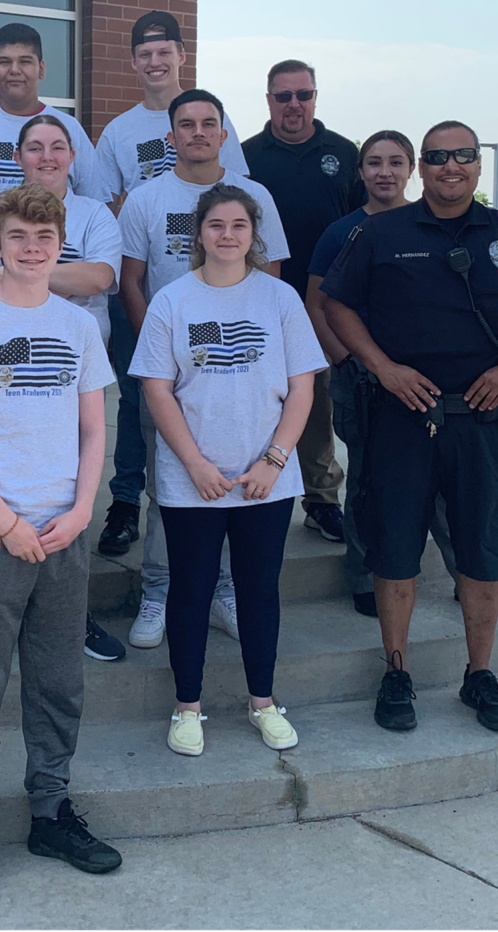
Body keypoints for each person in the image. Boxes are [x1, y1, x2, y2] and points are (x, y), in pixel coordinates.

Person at [321, 122, 498, 735]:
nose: (450, 166)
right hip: (400, 420)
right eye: (437, 157)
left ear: (478, 165)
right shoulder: (381, 233)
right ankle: (396, 671)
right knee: (394, 550)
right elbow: (335, 303)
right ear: (423, 168)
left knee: (483, 553)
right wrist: (382, 368)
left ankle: (479, 674)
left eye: (462, 156)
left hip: (483, 422)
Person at [0, 182, 122, 897]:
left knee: (58, 679)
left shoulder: (78, 326)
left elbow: (95, 428)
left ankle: (50, 808)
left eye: (45, 238)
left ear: (60, 244)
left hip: (63, 528)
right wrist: (5, 520)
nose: (33, 248)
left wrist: (82, 511)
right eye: (18, 237)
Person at [307, 131, 498, 621]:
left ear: (412, 169)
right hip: (370, 382)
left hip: (442, 394)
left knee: (452, 493)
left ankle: (474, 578)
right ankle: (367, 576)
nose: (385, 172)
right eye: (374, 163)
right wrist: (352, 364)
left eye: (396, 162)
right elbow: (321, 304)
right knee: (370, 484)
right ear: (360, 172)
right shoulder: (344, 232)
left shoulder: (441, 226)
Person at [132, 184, 324, 757]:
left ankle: (263, 702)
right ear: (199, 233)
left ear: (253, 234)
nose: (227, 235)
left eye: (239, 225)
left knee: (259, 591)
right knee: (190, 591)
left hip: (266, 479)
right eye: (216, 225)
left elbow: (302, 387)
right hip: (192, 479)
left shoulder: (280, 298)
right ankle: (187, 707)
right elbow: (157, 390)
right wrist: (194, 463)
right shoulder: (172, 301)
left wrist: (274, 460)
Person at [118, 89, 289, 651]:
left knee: (237, 481)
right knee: (168, 484)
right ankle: (158, 590)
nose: (197, 132)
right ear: (170, 137)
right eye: (186, 124)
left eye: (208, 123)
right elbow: (131, 282)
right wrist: (159, 358)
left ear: (223, 134)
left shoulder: (255, 195)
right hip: (172, 377)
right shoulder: (145, 199)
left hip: (242, 373)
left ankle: (224, 591)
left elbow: (272, 282)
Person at [0, 114, 127, 664]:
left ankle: (74, 617)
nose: (47, 157)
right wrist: (46, 274)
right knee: (9, 483)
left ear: (73, 156)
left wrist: (19, 274)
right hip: (4, 369)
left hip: (73, 372)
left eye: (58, 147)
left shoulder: (95, 214)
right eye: (35, 147)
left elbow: (101, 278)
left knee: (70, 496)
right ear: (18, 156)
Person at [93, 10, 248, 559]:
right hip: (145, 297)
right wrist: (148, 322)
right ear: (134, 62)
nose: (155, 62)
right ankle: (124, 503)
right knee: (137, 403)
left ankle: (215, 493)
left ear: (182, 55)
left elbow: (241, 199)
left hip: (219, 302)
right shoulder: (119, 131)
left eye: (165, 51)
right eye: (145, 53)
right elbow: (107, 204)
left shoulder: (213, 118)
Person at [240, 59, 363, 545]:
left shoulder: (345, 153)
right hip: (255, 298)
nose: (294, 105)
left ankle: (322, 500)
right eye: (283, 96)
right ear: (269, 100)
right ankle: (245, 492)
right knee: (254, 397)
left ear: (315, 97)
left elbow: (363, 223)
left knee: (316, 402)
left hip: (322, 303)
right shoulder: (246, 156)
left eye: (303, 94)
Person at [0, 22, 104, 222]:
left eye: (25, 61)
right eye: (4, 61)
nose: (14, 70)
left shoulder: (69, 128)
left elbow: (96, 206)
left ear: (41, 69)